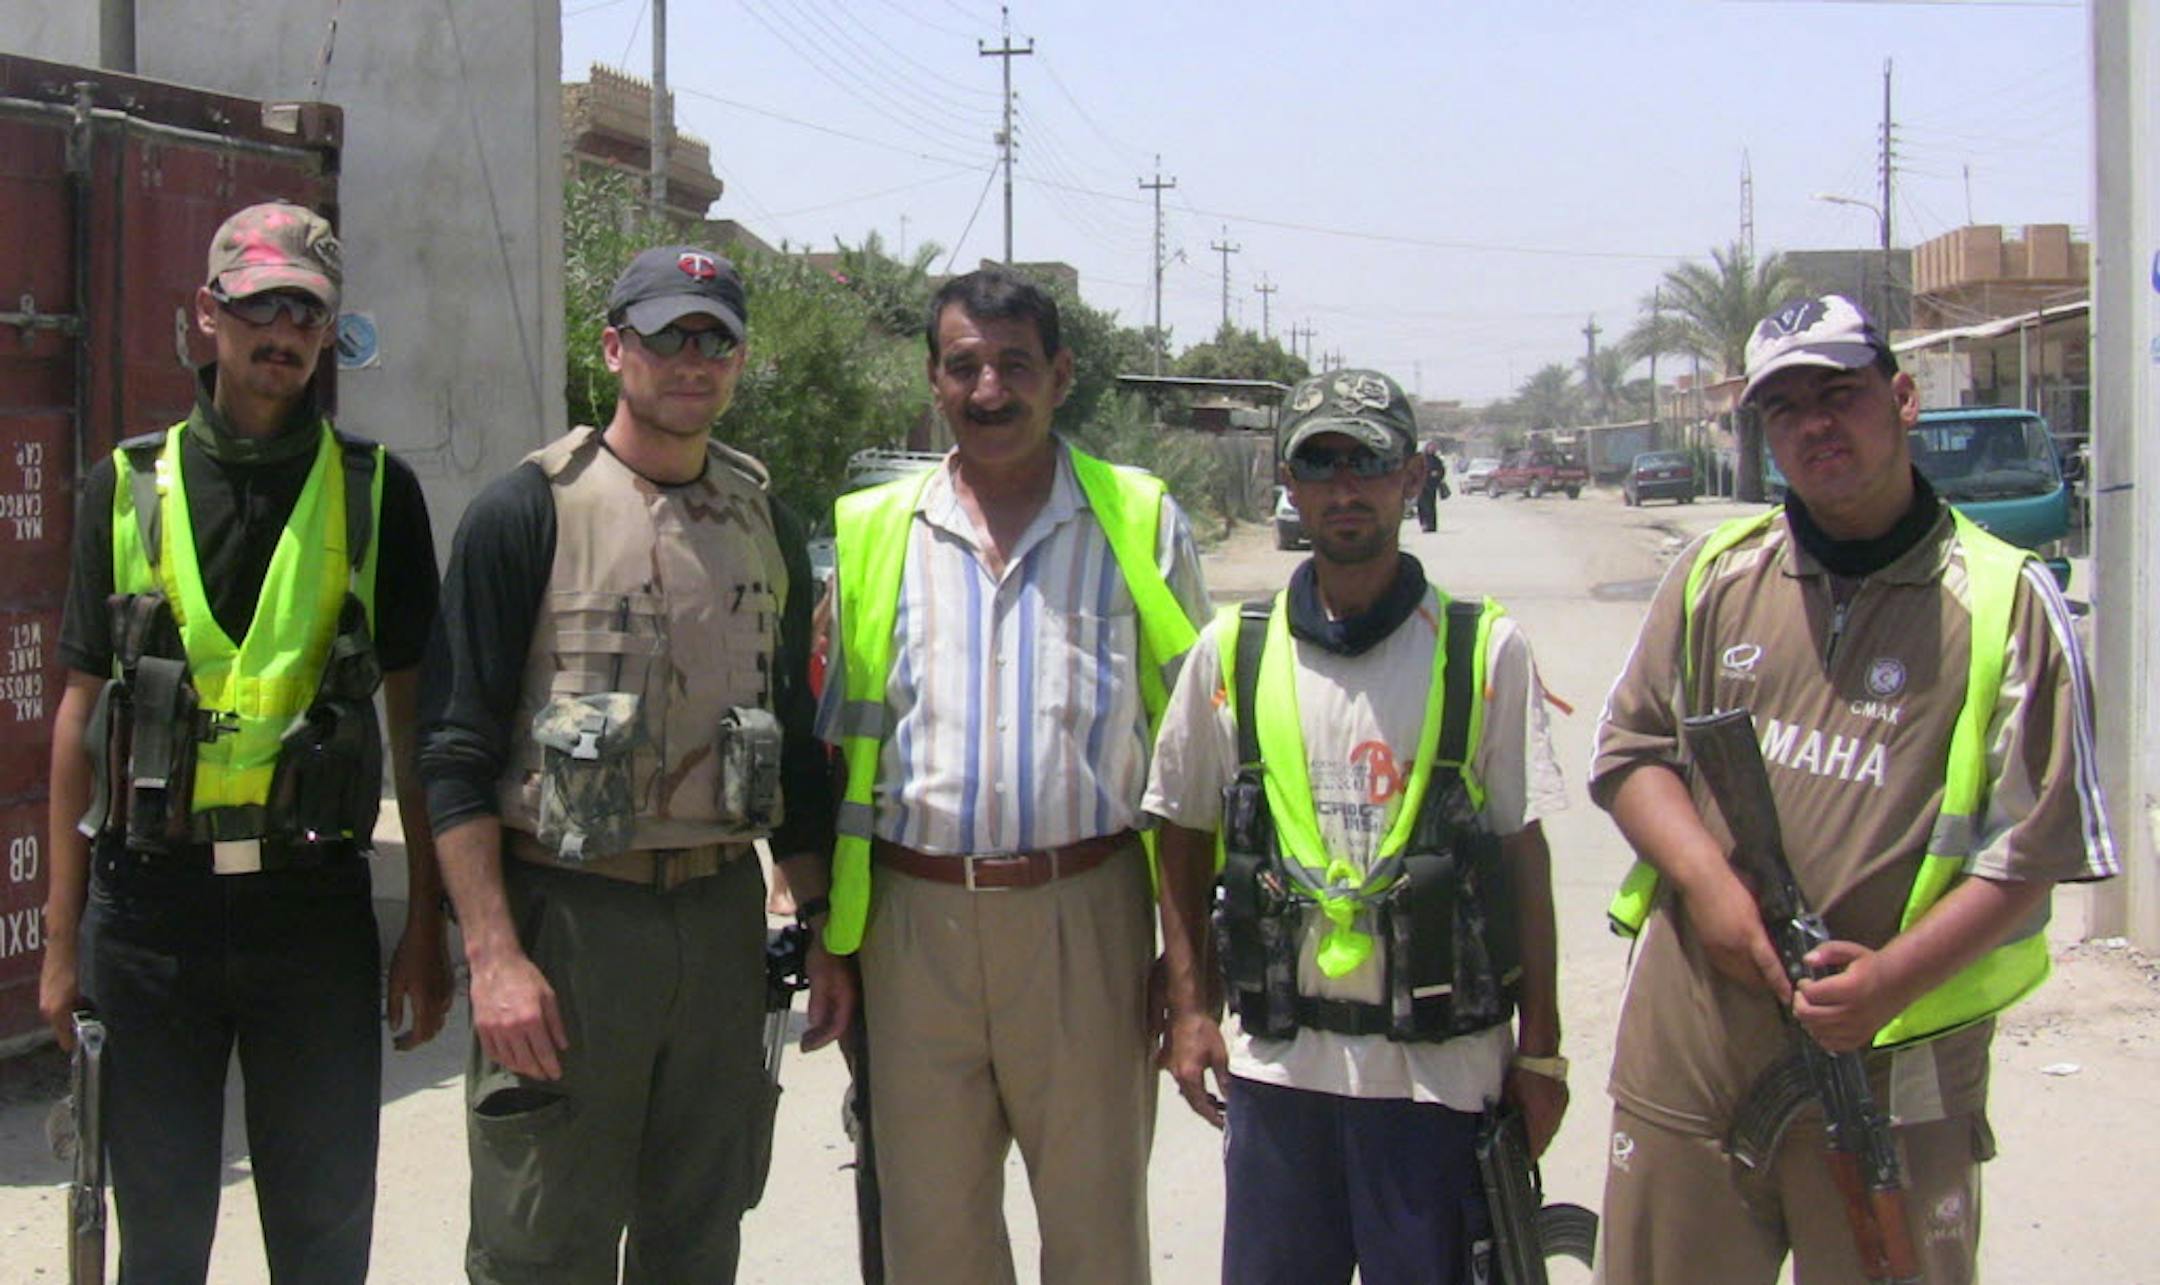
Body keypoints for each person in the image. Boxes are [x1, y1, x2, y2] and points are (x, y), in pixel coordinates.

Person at [1592, 295, 2117, 1283]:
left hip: (1896, 1062)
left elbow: (2033, 855)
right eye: (1785, 407)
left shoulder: (2008, 601)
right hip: (1697, 1044)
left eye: (1839, 393)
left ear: (1903, 398)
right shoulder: (1716, 575)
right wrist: (1707, 886)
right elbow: (1631, 753)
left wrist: (1888, 982)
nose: (1815, 424)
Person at [37, 200, 451, 1283]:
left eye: (305, 310)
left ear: (329, 330)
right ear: (208, 314)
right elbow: (78, 715)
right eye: (261, 304)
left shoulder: (376, 495)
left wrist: (426, 928)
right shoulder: (125, 489)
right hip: (151, 913)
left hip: (310, 910)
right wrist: (57, 940)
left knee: (322, 1239)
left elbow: (416, 720)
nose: (283, 331)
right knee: (162, 1238)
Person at [418, 245, 849, 1283]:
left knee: (697, 1236)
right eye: (668, 336)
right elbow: (454, 749)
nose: (694, 359)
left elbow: (792, 740)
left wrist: (825, 930)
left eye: (718, 339)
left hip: (717, 923)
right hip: (567, 922)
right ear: (615, 348)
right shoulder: (528, 511)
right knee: (542, 1243)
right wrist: (492, 955)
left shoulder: (766, 524)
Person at [817, 266, 1210, 1284]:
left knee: (1096, 1237)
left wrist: (1189, 968)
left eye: (1015, 365)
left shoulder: (1141, 520)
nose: (990, 390)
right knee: (933, 1241)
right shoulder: (870, 532)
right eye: (964, 366)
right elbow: (832, 758)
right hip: (915, 928)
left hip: (1086, 919)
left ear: (1062, 375)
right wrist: (828, 936)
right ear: (934, 380)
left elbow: (1191, 769)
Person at [1146, 369, 1566, 1285]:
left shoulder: (1481, 649)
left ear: (1412, 477)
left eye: (1369, 461)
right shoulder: (1232, 650)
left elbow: (1520, 852)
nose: (1345, 487)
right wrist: (1188, 1010)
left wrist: (1543, 1048)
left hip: (1439, 1082)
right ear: (1286, 483)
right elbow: (1181, 832)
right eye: (1321, 462)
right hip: (1281, 1073)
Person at [1415, 438, 1447, 532]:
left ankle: (1432, 525)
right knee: (1422, 506)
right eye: (1431, 446)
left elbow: (1442, 471)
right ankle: (1424, 524)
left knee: (1431, 506)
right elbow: (1415, 470)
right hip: (1421, 486)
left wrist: (1437, 474)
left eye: (1434, 447)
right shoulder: (1421, 459)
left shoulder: (1437, 460)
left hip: (1432, 486)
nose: (1432, 448)